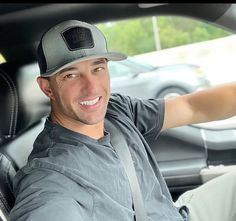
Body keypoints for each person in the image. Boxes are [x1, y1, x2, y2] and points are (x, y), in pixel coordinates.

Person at [9, 20, 236, 221]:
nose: (91, 87)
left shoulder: (117, 110)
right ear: (47, 87)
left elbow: (191, 107)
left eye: (97, 68)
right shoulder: (50, 176)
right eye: (71, 74)